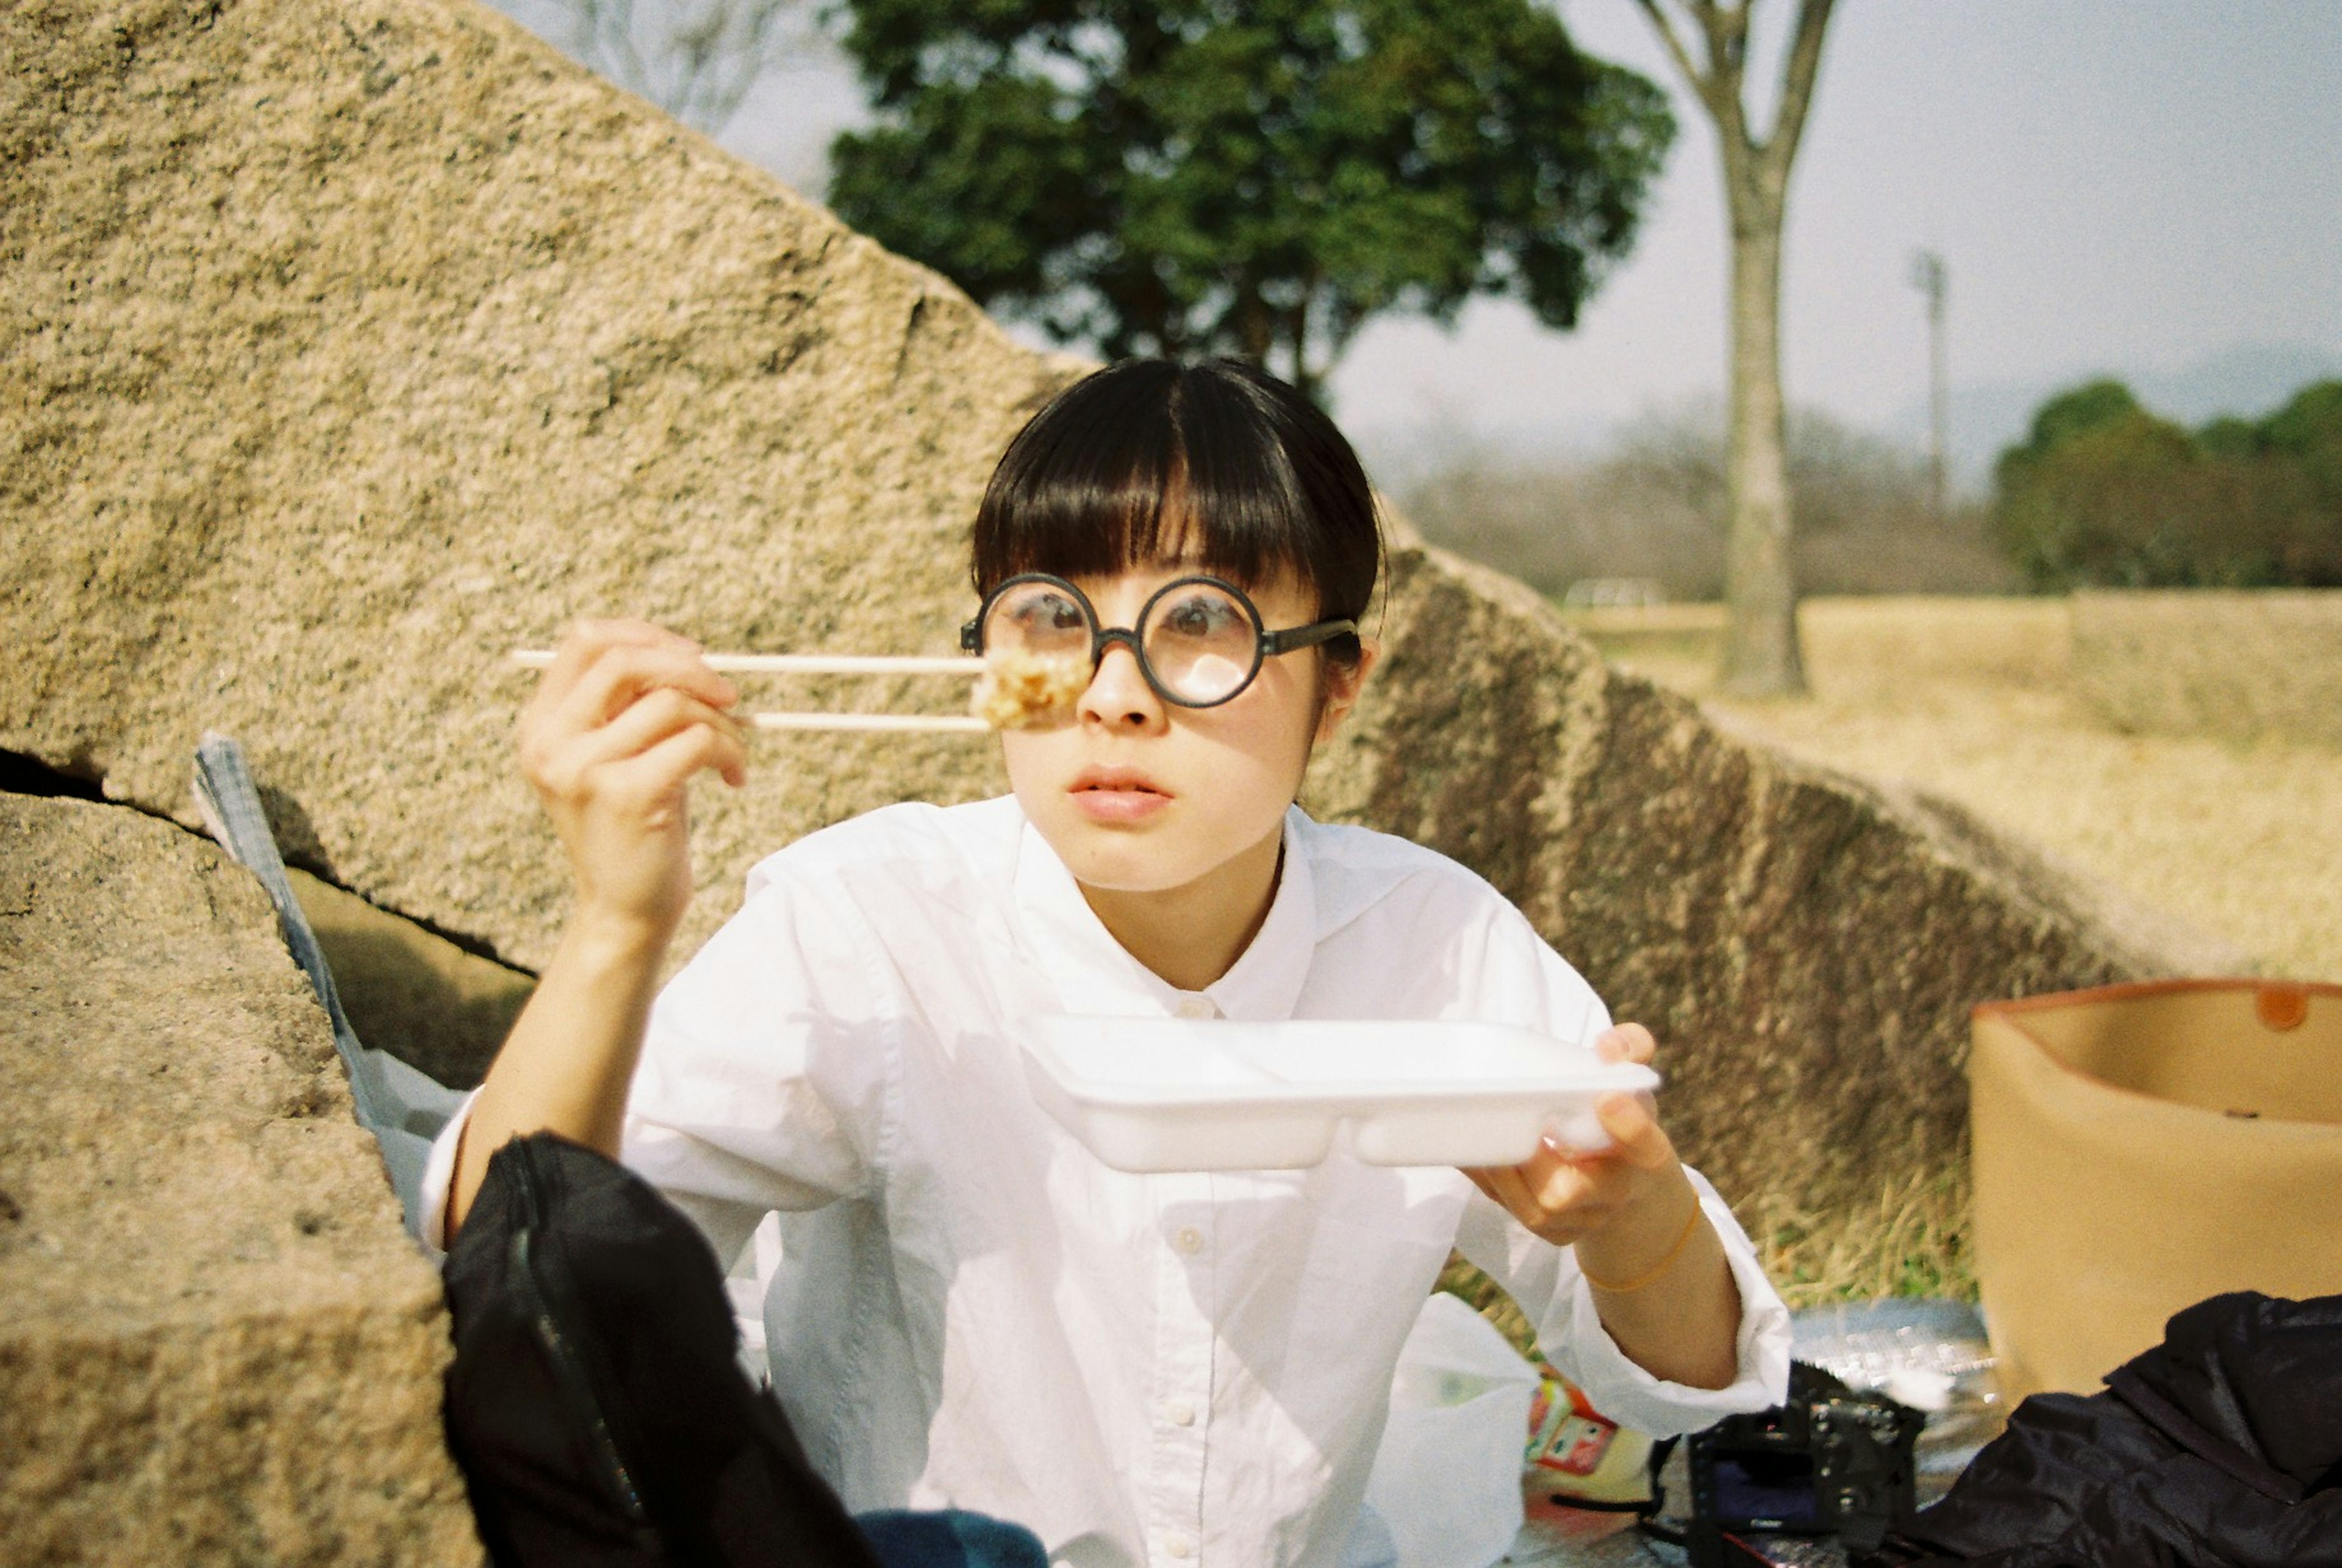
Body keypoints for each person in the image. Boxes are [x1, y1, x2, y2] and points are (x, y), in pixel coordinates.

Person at [423, 358, 1791, 1567]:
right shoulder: (871, 922)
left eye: (1204, 623)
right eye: (1052, 616)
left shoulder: (1435, 946)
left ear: (1342, 679)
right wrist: (614, 924)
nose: (1113, 690)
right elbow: (520, 1266)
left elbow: (1697, 1384)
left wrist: (1633, 1215)